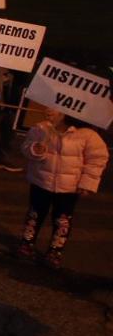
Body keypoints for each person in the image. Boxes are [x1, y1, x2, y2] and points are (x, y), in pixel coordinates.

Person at [17, 108, 108, 268]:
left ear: (67, 111)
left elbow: (97, 159)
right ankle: (27, 243)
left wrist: (87, 183)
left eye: (54, 108)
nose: (48, 110)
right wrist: (35, 150)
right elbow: (26, 147)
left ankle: (55, 250)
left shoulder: (87, 135)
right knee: (35, 214)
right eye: (48, 106)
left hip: (69, 188)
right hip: (41, 181)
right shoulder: (40, 129)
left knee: (62, 220)